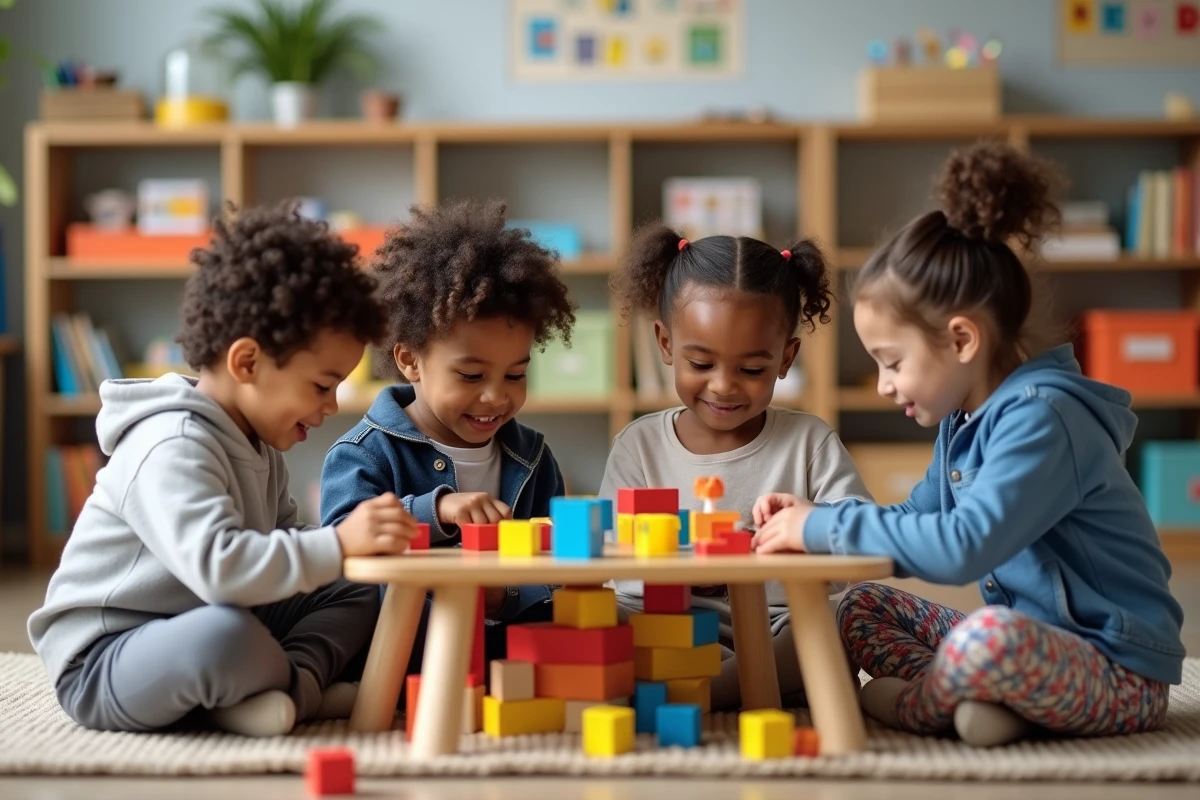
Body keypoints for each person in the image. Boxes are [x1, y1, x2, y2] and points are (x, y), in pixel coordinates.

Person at [752, 142, 1186, 746]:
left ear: (961, 340)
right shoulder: (964, 420)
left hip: (1116, 671)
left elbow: (962, 548)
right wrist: (818, 519)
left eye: (892, 362)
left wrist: (822, 530)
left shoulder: (1044, 420)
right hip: (1032, 651)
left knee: (988, 638)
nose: (883, 385)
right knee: (859, 606)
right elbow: (918, 516)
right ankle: (985, 703)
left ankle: (920, 706)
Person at [28, 201, 418, 737]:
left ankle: (287, 686)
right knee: (226, 637)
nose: (331, 406)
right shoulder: (170, 442)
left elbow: (282, 544)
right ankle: (293, 692)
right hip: (105, 658)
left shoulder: (258, 445)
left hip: (218, 615)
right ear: (247, 362)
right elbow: (219, 568)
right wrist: (338, 543)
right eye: (322, 385)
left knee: (355, 587)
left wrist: (349, 551)